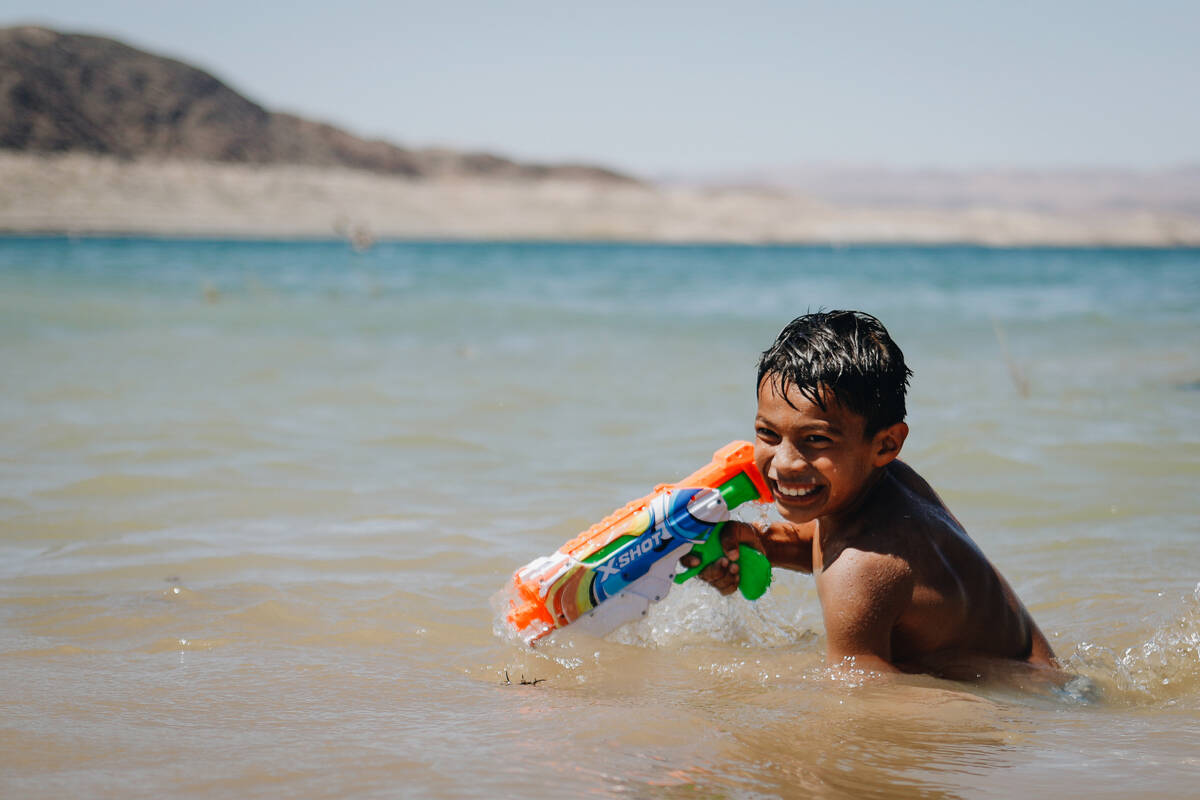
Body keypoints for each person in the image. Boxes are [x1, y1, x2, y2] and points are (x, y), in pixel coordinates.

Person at [681, 310, 1058, 678]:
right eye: (768, 434)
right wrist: (764, 542)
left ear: (886, 444)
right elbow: (835, 540)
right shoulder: (890, 485)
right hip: (1047, 682)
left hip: (1020, 703)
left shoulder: (861, 572)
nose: (785, 463)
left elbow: (863, 699)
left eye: (816, 439)